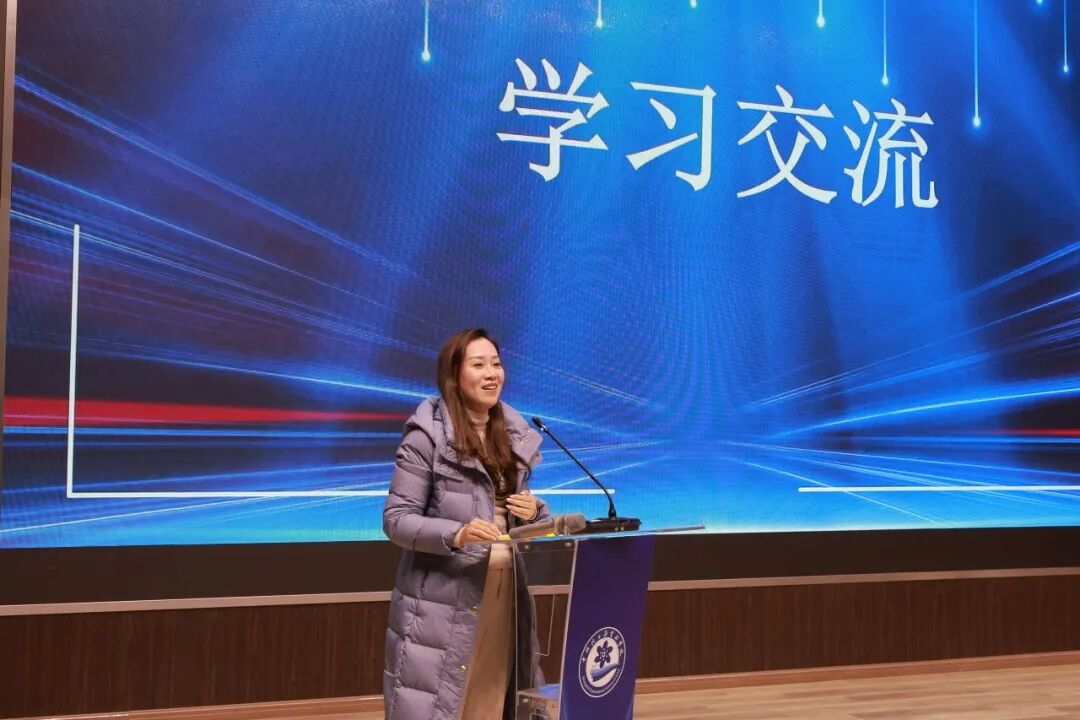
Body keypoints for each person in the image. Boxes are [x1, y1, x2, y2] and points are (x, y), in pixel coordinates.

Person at [383, 328, 550, 720]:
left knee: (494, 697)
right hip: (443, 599)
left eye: (496, 364)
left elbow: (513, 517)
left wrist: (534, 513)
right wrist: (456, 533)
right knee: (448, 703)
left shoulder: (513, 434)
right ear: (454, 375)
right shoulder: (426, 436)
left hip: (505, 591)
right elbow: (396, 520)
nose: (492, 373)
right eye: (479, 365)